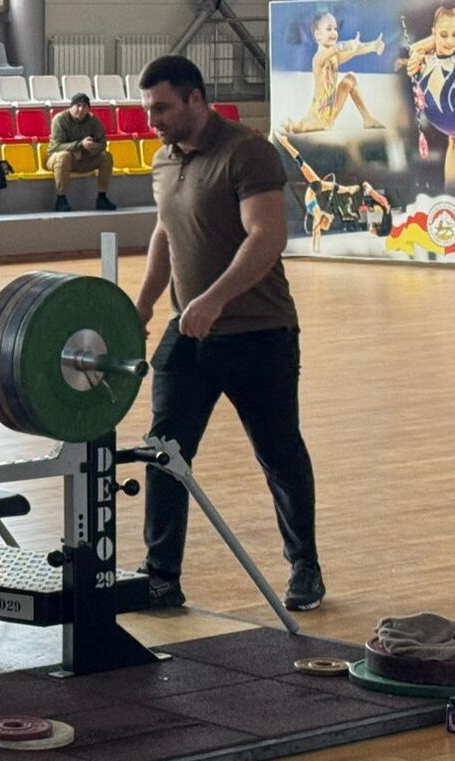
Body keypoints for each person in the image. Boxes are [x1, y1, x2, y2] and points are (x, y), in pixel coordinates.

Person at [134, 55, 324, 612]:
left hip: (260, 334)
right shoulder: (163, 162)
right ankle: (160, 575)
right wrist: (142, 305)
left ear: (196, 99)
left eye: (163, 108)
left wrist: (213, 299)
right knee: (164, 452)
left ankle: (305, 567)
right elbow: (165, 234)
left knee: (279, 452)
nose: (154, 121)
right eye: (148, 110)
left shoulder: (247, 152)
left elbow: (266, 236)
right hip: (190, 334)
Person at [274, 131, 390, 252]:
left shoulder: (318, 216)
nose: (324, 228)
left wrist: (315, 248)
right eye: (325, 226)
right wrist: (316, 245)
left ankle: (349, 189)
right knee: (301, 162)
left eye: (325, 226)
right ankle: (285, 142)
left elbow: (316, 232)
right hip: (315, 187)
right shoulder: (318, 215)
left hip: (315, 189)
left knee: (329, 183)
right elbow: (316, 231)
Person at [283, 11, 385, 133]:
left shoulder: (335, 57)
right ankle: (293, 126)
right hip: (317, 115)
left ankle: (367, 119)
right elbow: (337, 48)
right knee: (302, 126)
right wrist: (346, 45)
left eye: (335, 29)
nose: (333, 32)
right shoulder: (318, 59)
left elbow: (354, 51)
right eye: (329, 29)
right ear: (317, 34)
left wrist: (373, 46)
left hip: (332, 111)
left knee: (350, 79)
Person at [406, 5, 455, 190]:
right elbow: (413, 50)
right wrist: (416, 57)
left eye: (454, 35)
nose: (450, 41)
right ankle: (451, 200)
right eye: (444, 35)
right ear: (434, 32)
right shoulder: (428, 59)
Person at [47, 92, 116, 212]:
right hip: (58, 158)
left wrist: (91, 148)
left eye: (84, 106)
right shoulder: (60, 119)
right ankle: (61, 198)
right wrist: (79, 145)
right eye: (78, 105)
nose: (81, 109)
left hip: (84, 158)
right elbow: (55, 147)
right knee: (64, 156)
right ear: (71, 107)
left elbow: (103, 143)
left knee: (106, 157)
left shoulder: (93, 120)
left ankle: (102, 197)